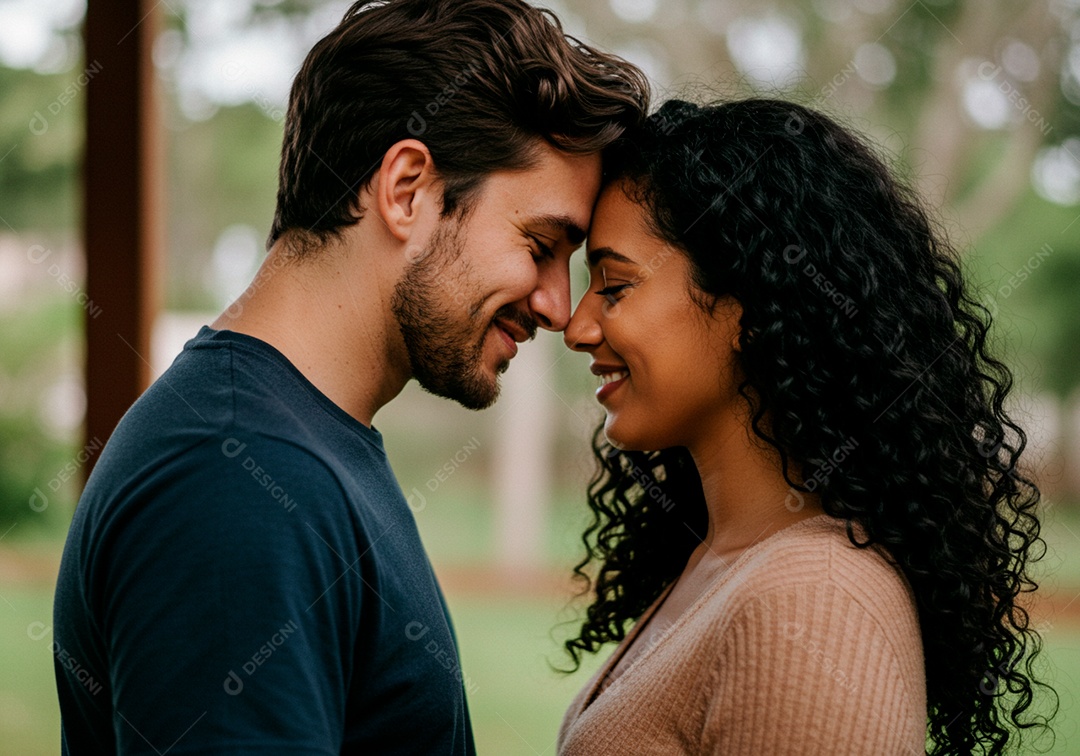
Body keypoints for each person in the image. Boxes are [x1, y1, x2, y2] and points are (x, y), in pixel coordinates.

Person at [52, 1, 648, 753]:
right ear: (406, 189)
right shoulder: (236, 479)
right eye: (540, 244)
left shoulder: (292, 445)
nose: (559, 308)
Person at [558, 99, 1055, 754]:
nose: (576, 327)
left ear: (751, 307)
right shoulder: (722, 561)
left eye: (615, 287)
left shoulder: (812, 603)